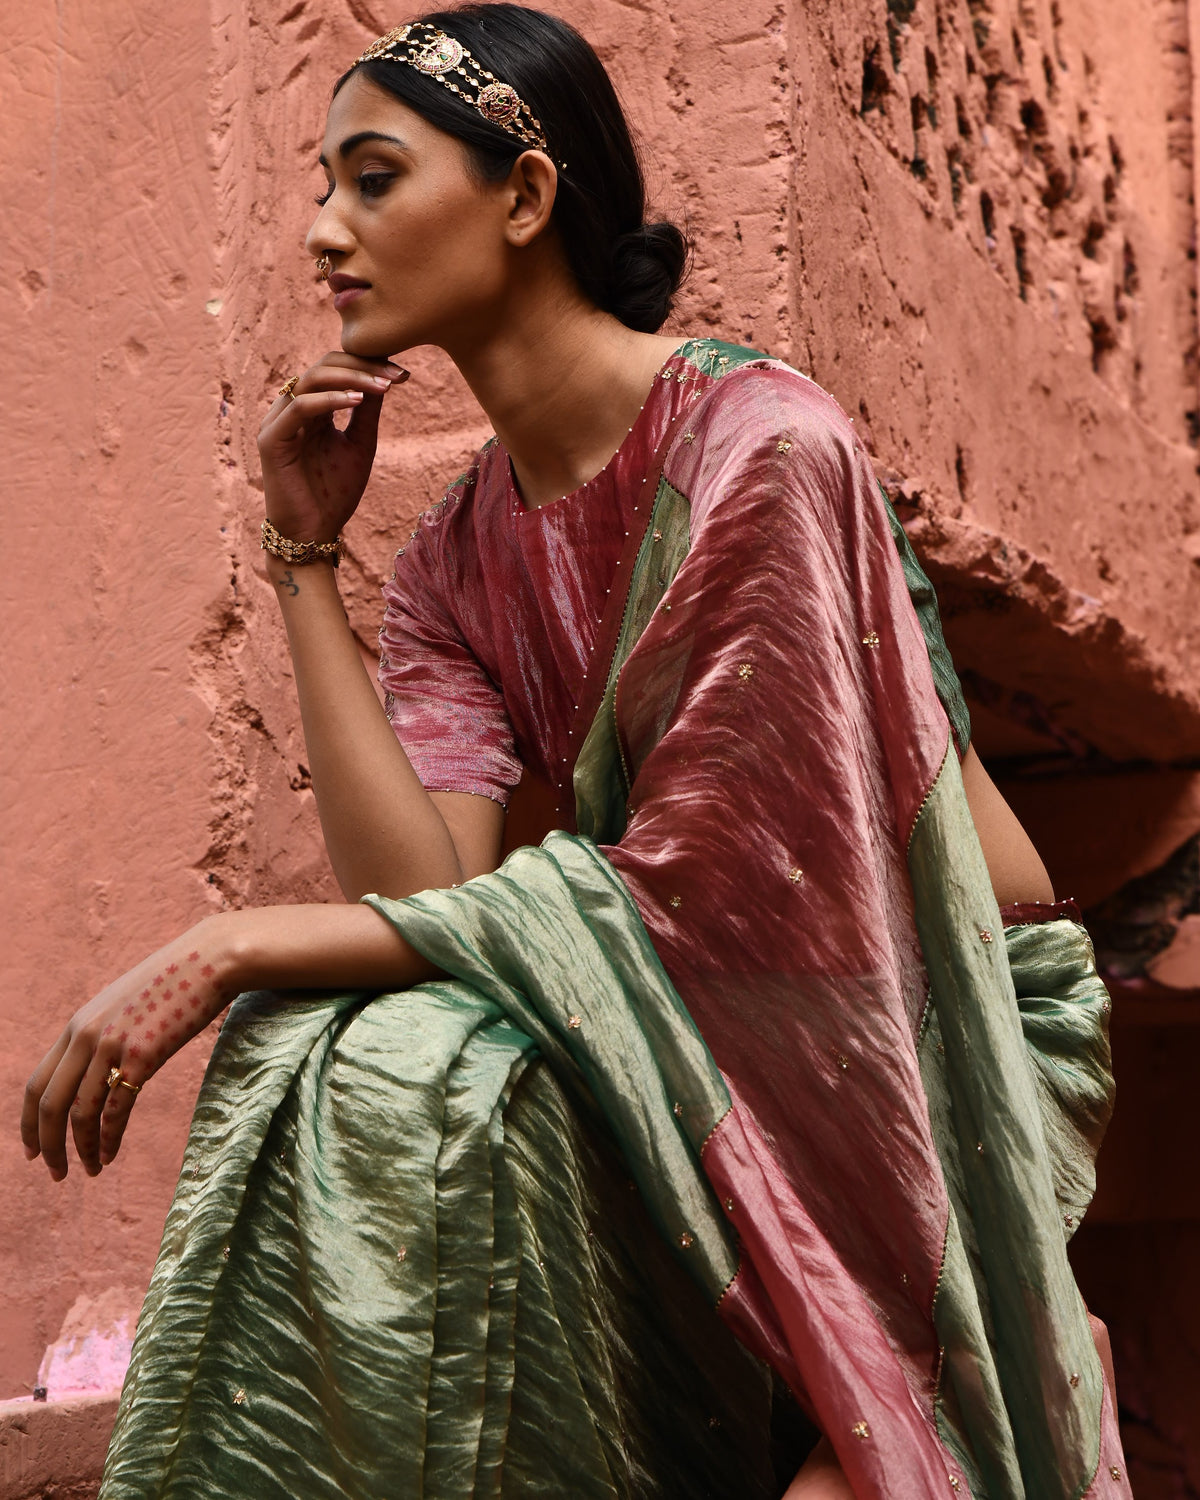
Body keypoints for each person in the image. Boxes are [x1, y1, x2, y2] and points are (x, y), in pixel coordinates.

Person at [22, 6, 1128, 1496]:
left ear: (525, 197)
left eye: (371, 179)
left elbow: (734, 892)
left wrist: (231, 942)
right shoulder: (460, 558)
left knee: (374, 1037)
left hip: (937, 1027)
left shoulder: (758, 446)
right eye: (321, 186)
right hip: (715, 1026)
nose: (319, 233)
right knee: (363, 1057)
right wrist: (301, 557)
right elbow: (423, 889)